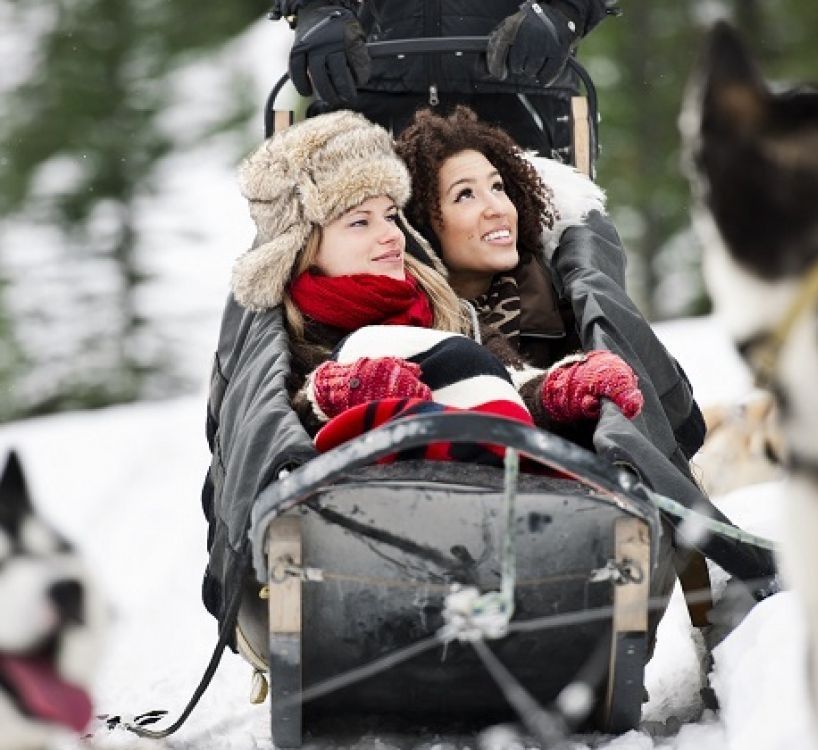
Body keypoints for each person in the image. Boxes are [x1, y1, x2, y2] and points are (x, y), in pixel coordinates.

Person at [396, 106, 780, 618]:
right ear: (424, 221)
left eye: (497, 187)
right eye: (465, 195)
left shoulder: (558, 307)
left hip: (560, 532)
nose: (496, 209)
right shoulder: (403, 320)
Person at [232, 108, 645, 448]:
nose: (390, 235)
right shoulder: (292, 333)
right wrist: (327, 397)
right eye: (360, 222)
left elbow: (503, 385)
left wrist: (558, 391)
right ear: (304, 248)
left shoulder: (445, 310)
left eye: (392, 216)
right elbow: (273, 430)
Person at [267, 0, 620, 159]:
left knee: (558, 271)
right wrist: (316, 9)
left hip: (521, 99)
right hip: (366, 102)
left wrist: (563, 11)